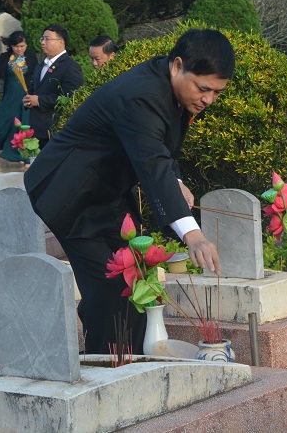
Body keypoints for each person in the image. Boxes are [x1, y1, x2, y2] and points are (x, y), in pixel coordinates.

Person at [25, 28, 234, 354]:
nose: (208, 99)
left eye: (217, 92)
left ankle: (131, 358)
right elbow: (152, 163)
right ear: (177, 65)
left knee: (137, 278)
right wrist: (193, 234)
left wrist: (176, 185)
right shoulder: (143, 94)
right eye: (203, 88)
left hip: (108, 192)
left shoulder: (168, 85)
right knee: (110, 287)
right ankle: (105, 371)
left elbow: (156, 149)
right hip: (71, 193)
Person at [23, 24, 82, 149]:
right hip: (38, 130)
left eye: (47, 39)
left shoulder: (70, 67)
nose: (43, 42)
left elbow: (71, 97)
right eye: (42, 39)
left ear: (61, 42)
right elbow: (35, 91)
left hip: (56, 129)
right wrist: (29, 100)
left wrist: (39, 100)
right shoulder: (40, 66)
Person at [0, 31, 39, 163]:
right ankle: (3, 142)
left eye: (22, 46)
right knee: (5, 120)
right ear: (11, 46)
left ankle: (21, 152)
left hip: (25, 94)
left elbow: (36, 75)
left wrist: (35, 94)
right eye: (17, 46)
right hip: (10, 94)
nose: (20, 49)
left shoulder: (31, 56)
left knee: (22, 122)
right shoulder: (5, 57)